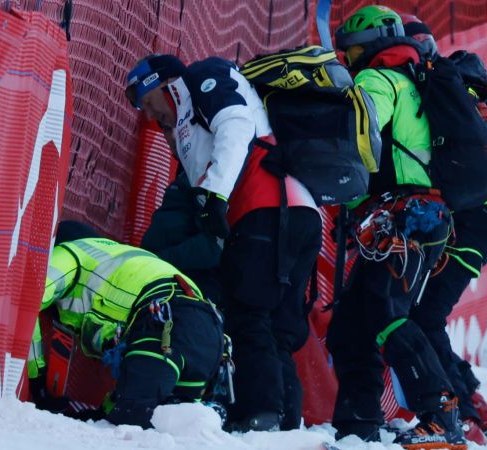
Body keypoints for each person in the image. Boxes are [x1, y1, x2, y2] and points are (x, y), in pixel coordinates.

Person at [124, 54, 322, 431]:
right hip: (299, 211)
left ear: (163, 85)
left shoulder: (201, 76)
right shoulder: (186, 127)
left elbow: (235, 123)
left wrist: (214, 195)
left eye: (149, 103)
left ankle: (260, 416)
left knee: (248, 314)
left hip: (265, 208)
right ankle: (285, 421)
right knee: (277, 325)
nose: (151, 117)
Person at [327, 6, 465, 449]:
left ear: (364, 45)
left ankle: (440, 415)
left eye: (348, 50)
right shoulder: (413, 76)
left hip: (404, 216)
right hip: (423, 216)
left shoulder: (377, 79)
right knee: (352, 323)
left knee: (387, 313)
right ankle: (358, 424)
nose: (345, 60)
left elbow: (362, 131)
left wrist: (348, 185)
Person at [399, 13, 487, 442]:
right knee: (427, 314)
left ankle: (461, 412)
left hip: (468, 222)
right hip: (480, 221)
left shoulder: (438, 88)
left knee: (424, 315)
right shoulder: (460, 87)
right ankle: (473, 402)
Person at [27, 235, 225, 428]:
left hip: (165, 324)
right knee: (180, 427)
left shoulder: (69, 253)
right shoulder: (121, 258)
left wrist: (37, 378)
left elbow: (27, 301)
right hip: (208, 330)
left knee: (132, 421)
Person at [140, 124, 223, 305]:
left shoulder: (213, 178)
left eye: (169, 127)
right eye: (165, 129)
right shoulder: (189, 171)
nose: (169, 137)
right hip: (161, 282)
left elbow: (213, 246)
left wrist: (158, 262)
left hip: (184, 291)